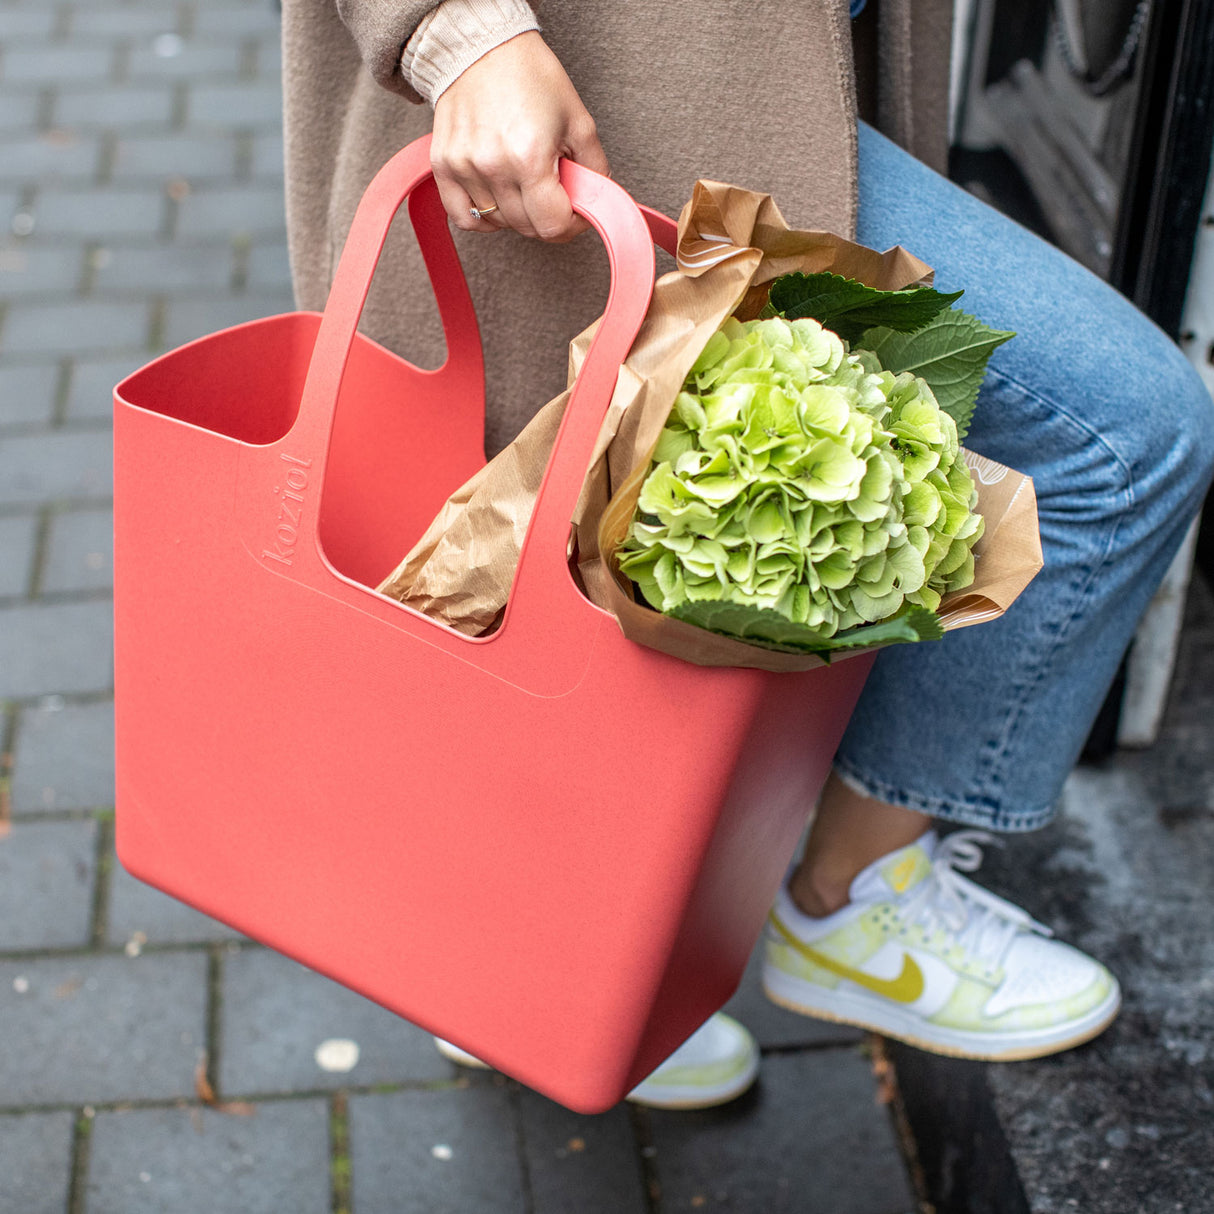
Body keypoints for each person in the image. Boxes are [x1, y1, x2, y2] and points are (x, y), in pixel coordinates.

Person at [281, 0, 1214, 1107]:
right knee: (1119, 435)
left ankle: (526, 963)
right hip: (594, 88)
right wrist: (458, 30)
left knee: (619, 547)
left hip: (730, 85)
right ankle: (844, 897)